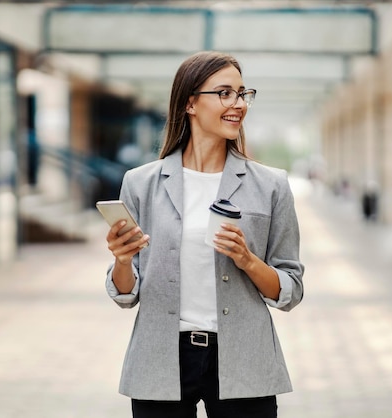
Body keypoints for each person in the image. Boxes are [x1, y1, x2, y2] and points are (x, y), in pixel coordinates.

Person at [104, 50, 304, 418]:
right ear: (190, 104)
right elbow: (125, 293)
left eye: (243, 94)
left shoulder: (271, 185)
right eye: (224, 93)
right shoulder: (140, 184)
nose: (238, 104)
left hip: (244, 357)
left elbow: (290, 289)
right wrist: (121, 259)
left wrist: (247, 260)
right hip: (160, 358)